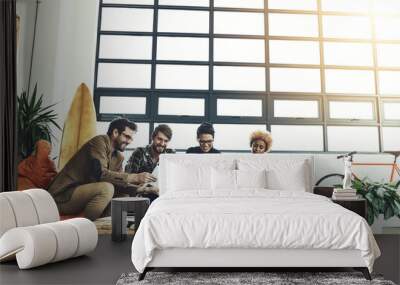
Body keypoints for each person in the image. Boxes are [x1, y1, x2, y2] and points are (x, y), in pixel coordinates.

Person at [47, 118, 156, 221]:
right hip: (63, 196)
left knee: (123, 196)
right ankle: (88, 225)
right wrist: (135, 177)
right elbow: (100, 174)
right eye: (127, 136)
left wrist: (142, 189)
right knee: (106, 188)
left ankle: (106, 223)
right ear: (115, 133)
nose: (129, 141)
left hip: (83, 196)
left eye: (131, 138)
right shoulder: (99, 142)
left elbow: (119, 183)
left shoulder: (118, 157)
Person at [125, 124, 175, 201]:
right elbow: (128, 179)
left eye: (166, 141)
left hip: (164, 195)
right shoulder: (139, 152)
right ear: (153, 138)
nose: (162, 143)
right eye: (159, 139)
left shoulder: (170, 154)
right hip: (142, 196)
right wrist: (146, 187)